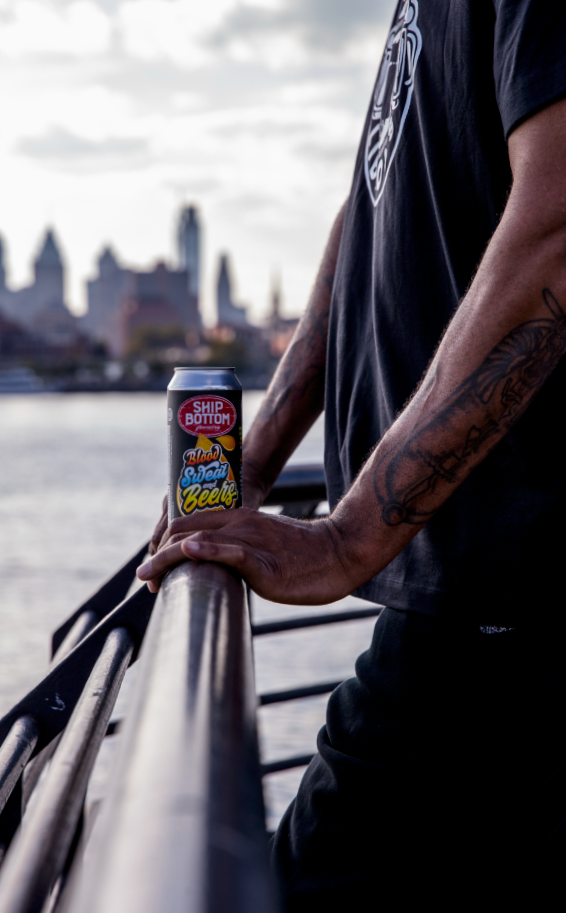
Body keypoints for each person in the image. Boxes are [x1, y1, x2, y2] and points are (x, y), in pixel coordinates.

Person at [139, 0, 566, 906]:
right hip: (471, 596)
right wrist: (249, 463)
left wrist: (345, 539)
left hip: (517, 608)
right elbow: (373, 209)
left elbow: (559, 228)